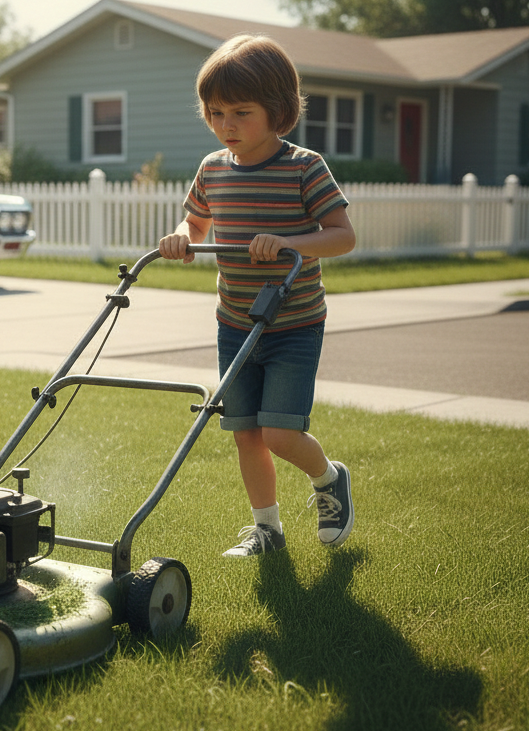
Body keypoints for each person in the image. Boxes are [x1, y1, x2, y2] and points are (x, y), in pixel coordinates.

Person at [158, 34, 356, 558]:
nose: (226, 125)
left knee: (279, 434)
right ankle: (266, 530)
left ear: (279, 110)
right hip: (235, 322)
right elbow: (196, 223)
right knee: (246, 433)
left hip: (293, 324)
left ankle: (329, 478)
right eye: (215, 112)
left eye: (241, 113)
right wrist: (182, 236)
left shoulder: (303, 167)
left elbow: (342, 235)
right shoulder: (212, 169)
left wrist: (290, 242)